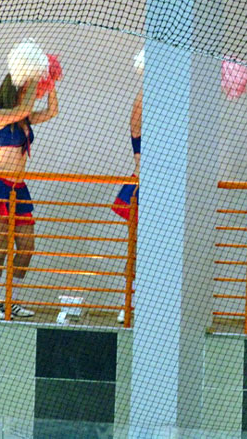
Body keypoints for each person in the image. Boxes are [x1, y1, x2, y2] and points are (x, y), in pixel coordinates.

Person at [0, 70, 59, 320]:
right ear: (13, 90)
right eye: (24, 88)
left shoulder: (25, 118)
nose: (28, 93)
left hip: (19, 189)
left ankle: (11, 301)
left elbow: (52, 111)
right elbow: (24, 108)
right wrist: (34, 76)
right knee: (0, 247)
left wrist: (50, 81)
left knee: (26, 248)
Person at [112, 90, 142, 323]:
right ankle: (128, 304)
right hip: (140, 191)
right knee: (135, 250)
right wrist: (148, 80)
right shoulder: (141, 136)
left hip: (166, 196)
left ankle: (149, 303)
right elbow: (135, 117)